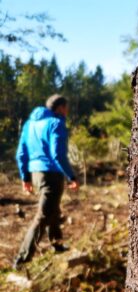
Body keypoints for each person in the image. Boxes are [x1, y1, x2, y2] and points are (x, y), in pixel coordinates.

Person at [14, 95, 79, 268]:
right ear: (59, 108)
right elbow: (57, 154)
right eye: (66, 108)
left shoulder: (29, 124)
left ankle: (57, 244)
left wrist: (25, 177)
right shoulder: (56, 123)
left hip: (36, 173)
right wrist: (71, 176)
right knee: (43, 215)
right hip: (51, 174)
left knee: (53, 209)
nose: (67, 111)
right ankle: (22, 259)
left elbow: (22, 153)